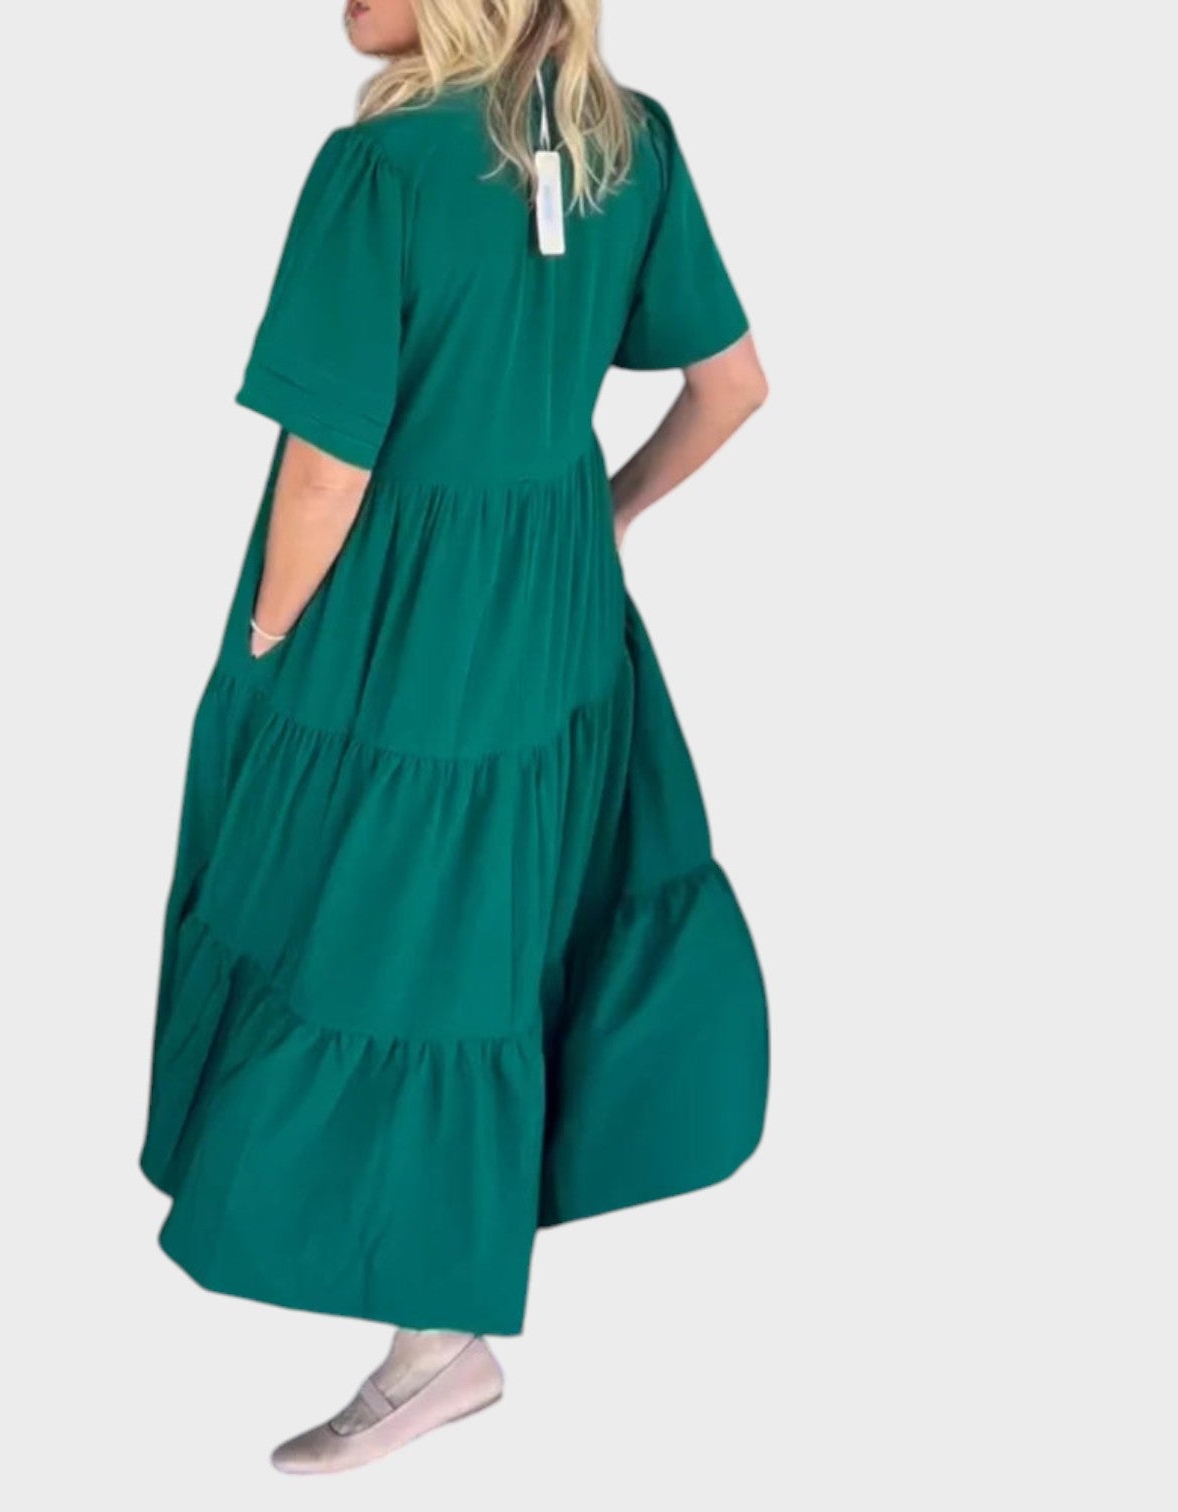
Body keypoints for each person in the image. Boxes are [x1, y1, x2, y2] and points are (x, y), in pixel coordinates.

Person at [139, 0, 771, 1474]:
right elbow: (734, 386)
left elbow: (328, 467)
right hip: (554, 607)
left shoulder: (385, 168)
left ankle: (438, 1346)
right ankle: (445, 1318)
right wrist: (602, 518)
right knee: (492, 928)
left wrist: (272, 639)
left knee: (374, 933)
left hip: (397, 616)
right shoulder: (629, 144)